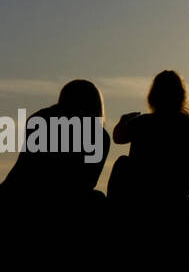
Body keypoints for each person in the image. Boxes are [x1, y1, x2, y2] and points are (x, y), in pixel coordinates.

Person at [109, 70, 189, 217]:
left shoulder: (142, 123)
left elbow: (118, 138)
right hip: (178, 206)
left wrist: (122, 121)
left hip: (142, 205)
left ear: (153, 96)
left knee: (122, 163)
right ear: (181, 96)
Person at [0, 79, 109, 212]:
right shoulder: (99, 136)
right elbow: (87, 182)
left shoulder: (42, 118)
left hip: (13, 195)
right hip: (59, 202)